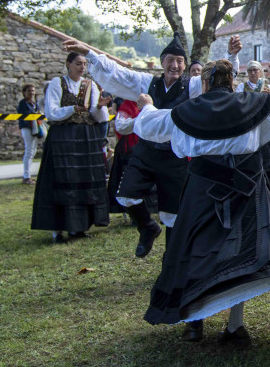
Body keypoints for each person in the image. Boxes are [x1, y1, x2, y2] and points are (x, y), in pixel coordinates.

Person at [134, 59, 270, 343]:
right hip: (245, 187)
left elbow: (150, 125)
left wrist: (147, 104)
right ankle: (234, 326)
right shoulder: (252, 103)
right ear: (234, 81)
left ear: (204, 83)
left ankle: (195, 323)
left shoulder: (187, 111)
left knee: (196, 249)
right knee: (243, 253)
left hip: (203, 188)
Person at [69, 34, 242, 257]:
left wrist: (231, 55)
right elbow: (119, 72)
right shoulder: (147, 82)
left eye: (180, 61)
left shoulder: (193, 85)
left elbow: (220, 78)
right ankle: (148, 227)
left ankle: (172, 262)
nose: (175, 65)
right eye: (170, 59)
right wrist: (88, 52)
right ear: (162, 62)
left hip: (174, 156)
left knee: (173, 214)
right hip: (145, 152)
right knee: (127, 195)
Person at [31, 51, 111, 242]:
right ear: (68, 64)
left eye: (84, 64)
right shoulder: (57, 83)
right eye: (78, 63)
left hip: (85, 137)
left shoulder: (89, 85)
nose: (82, 67)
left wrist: (100, 107)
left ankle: (79, 227)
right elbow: (51, 112)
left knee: (83, 179)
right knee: (62, 178)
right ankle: (58, 229)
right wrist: (72, 109)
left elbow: (98, 116)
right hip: (63, 137)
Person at [237, 61, 270, 188]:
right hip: (250, 128)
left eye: (255, 70)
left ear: (260, 71)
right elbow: (239, 106)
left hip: (266, 126)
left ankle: (269, 183)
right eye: (250, 71)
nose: (253, 73)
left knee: (268, 156)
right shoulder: (241, 88)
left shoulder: (268, 88)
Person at [17, 83, 42, 185]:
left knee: (33, 151)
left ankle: (28, 175)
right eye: (29, 91)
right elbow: (24, 114)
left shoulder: (34, 103)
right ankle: (26, 177)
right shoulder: (23, 103)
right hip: (27, 128)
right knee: (29, 151)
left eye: (33, 90)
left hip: (34, 129)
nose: (31, 93)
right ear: (24, 92)